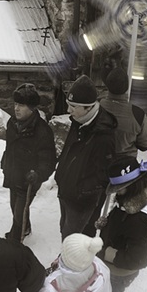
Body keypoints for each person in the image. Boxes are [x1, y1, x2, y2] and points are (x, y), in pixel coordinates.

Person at [78, 156, 147, 292]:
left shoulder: (139, 220)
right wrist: (107, 224)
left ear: (132, 185)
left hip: (120, 270)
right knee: (101, 291)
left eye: (119, 189)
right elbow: (123, 222)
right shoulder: (133, 198)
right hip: (110, 258)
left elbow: (140, 259)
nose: (117, 193)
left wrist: (106, 252)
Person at [54, 75, 118, 239]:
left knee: (73, 238)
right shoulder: (79, 121)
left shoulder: (104, 136)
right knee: (64, 229)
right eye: (69, 105)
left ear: (89, 108)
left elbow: (103, 175)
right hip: (66, 191)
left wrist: (80, 190)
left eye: (73, 106)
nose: (69, 110)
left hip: (81, 200)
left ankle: (71, 263)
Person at [0, 83, 56, 243]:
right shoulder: (12, 124)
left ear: (31, 108)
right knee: (15, 207)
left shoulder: (42, 131)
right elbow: (10, 147)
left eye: (21, 105)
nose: (16, 108)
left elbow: (49, 161)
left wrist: (37, 174)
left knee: (19, 213)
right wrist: (5, 163)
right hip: (13, 174)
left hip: (28, 179)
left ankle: (15, 239)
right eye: (16, 104)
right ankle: (26, 227)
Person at [101, 67, 147, 159]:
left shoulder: (96, 108)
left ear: (107, 84)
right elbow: (144, 145)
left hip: (98, 164)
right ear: (127, 87)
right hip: (126, 168)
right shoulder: (138, 114)